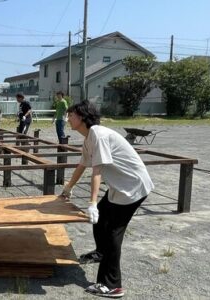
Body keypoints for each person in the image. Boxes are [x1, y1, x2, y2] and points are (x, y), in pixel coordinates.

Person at [60, 101, 154, 298]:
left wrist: (92, 203)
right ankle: (101, 252)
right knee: (101, 221)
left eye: (71, 115)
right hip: (120, 188)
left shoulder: (99, 135)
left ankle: (111, 285)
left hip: (132, 188)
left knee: (113, 233)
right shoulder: (89, 138)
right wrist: (69, 187)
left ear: (83, 117)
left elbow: (97, 171)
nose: (68, 118)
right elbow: (82, 165)